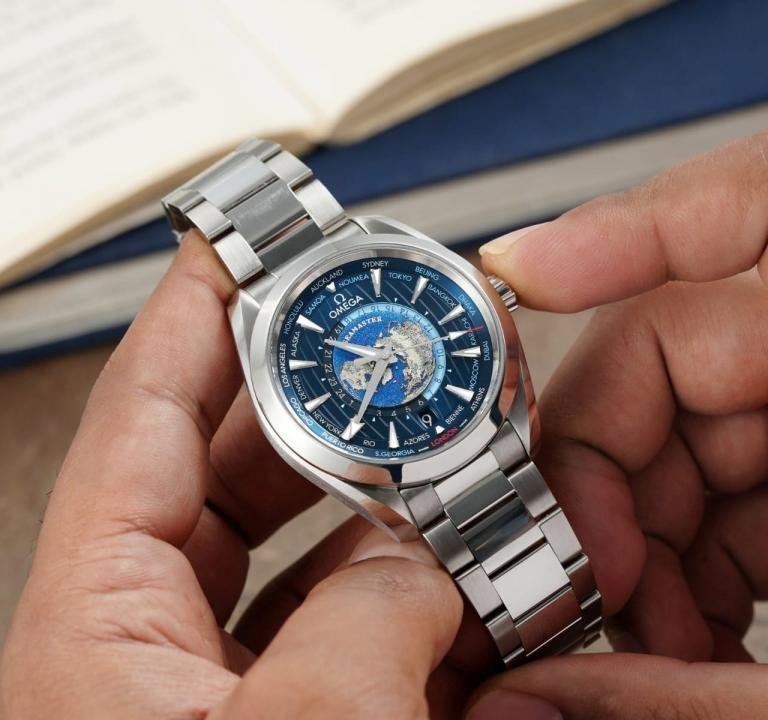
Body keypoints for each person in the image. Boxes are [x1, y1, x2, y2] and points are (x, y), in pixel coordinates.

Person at [1, 132, 767, 720]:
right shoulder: (293, 386)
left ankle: (556, 625)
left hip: (482, 426)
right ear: (285, 423)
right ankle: (552, 627)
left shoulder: (427, 313)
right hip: (417, 474)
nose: (375, 357)